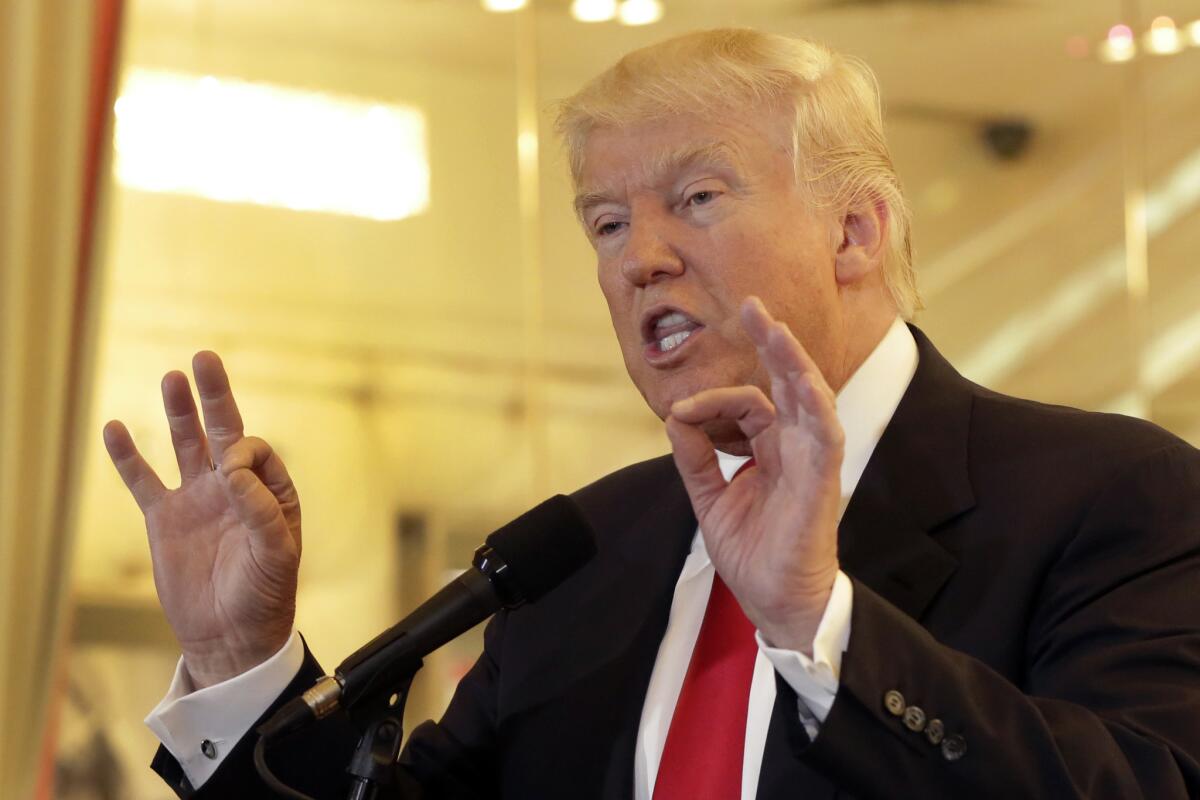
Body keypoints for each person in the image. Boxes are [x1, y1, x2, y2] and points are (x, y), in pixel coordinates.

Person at [103, 29, 1200, 799]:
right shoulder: (579, 551)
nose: (640, 259)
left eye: (696, 199)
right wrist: (241, 660)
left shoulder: (1111, 494)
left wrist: (822, 625)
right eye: (607, 223)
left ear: (856, 233)